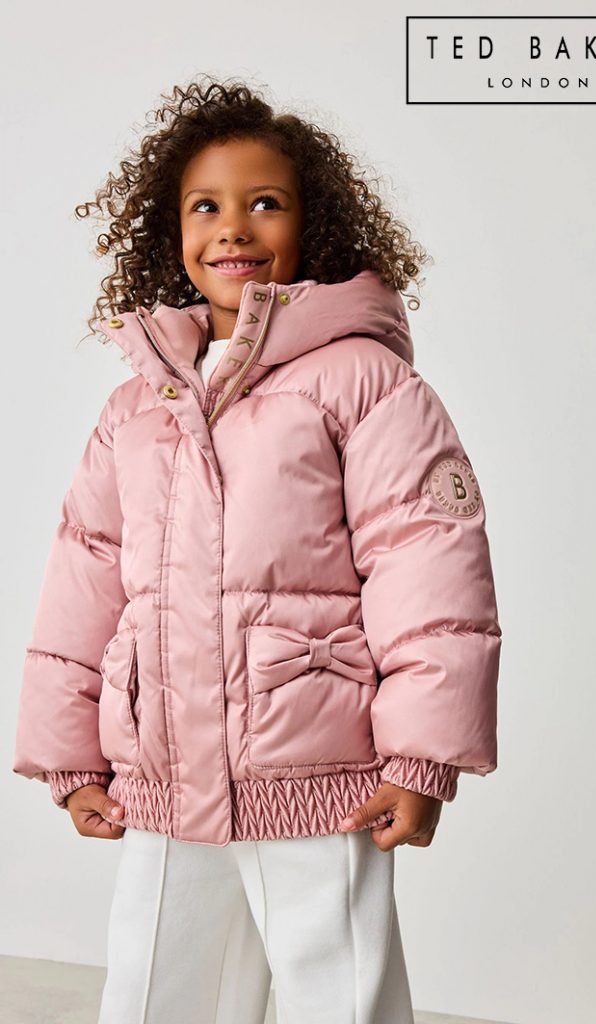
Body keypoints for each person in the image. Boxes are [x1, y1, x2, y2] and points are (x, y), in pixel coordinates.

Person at [12, 75, 502, 1024]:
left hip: (317, 767)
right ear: (171, 234)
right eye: (206, 206)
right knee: (155, 993)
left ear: (312, 224)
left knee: (337, 994)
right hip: (163, 769)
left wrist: (421, 757)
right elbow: (85, 574)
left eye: (264, 203)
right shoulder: (137, 406)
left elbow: (430, 569)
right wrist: (70, 756)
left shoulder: (363, 382)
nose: (232, 227)